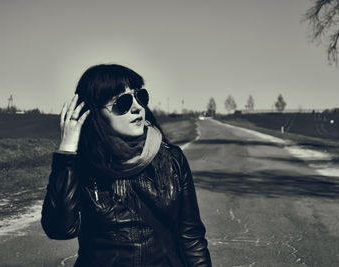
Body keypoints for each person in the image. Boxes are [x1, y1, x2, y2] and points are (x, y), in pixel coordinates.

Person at [41, 64, 212, 266]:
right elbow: (60, 229)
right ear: (95, 113)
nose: (137, 107)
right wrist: (67, 151)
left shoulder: (171, 158)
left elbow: (191, 236)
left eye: (140, 97)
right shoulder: (83, 165)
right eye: (122, 102)